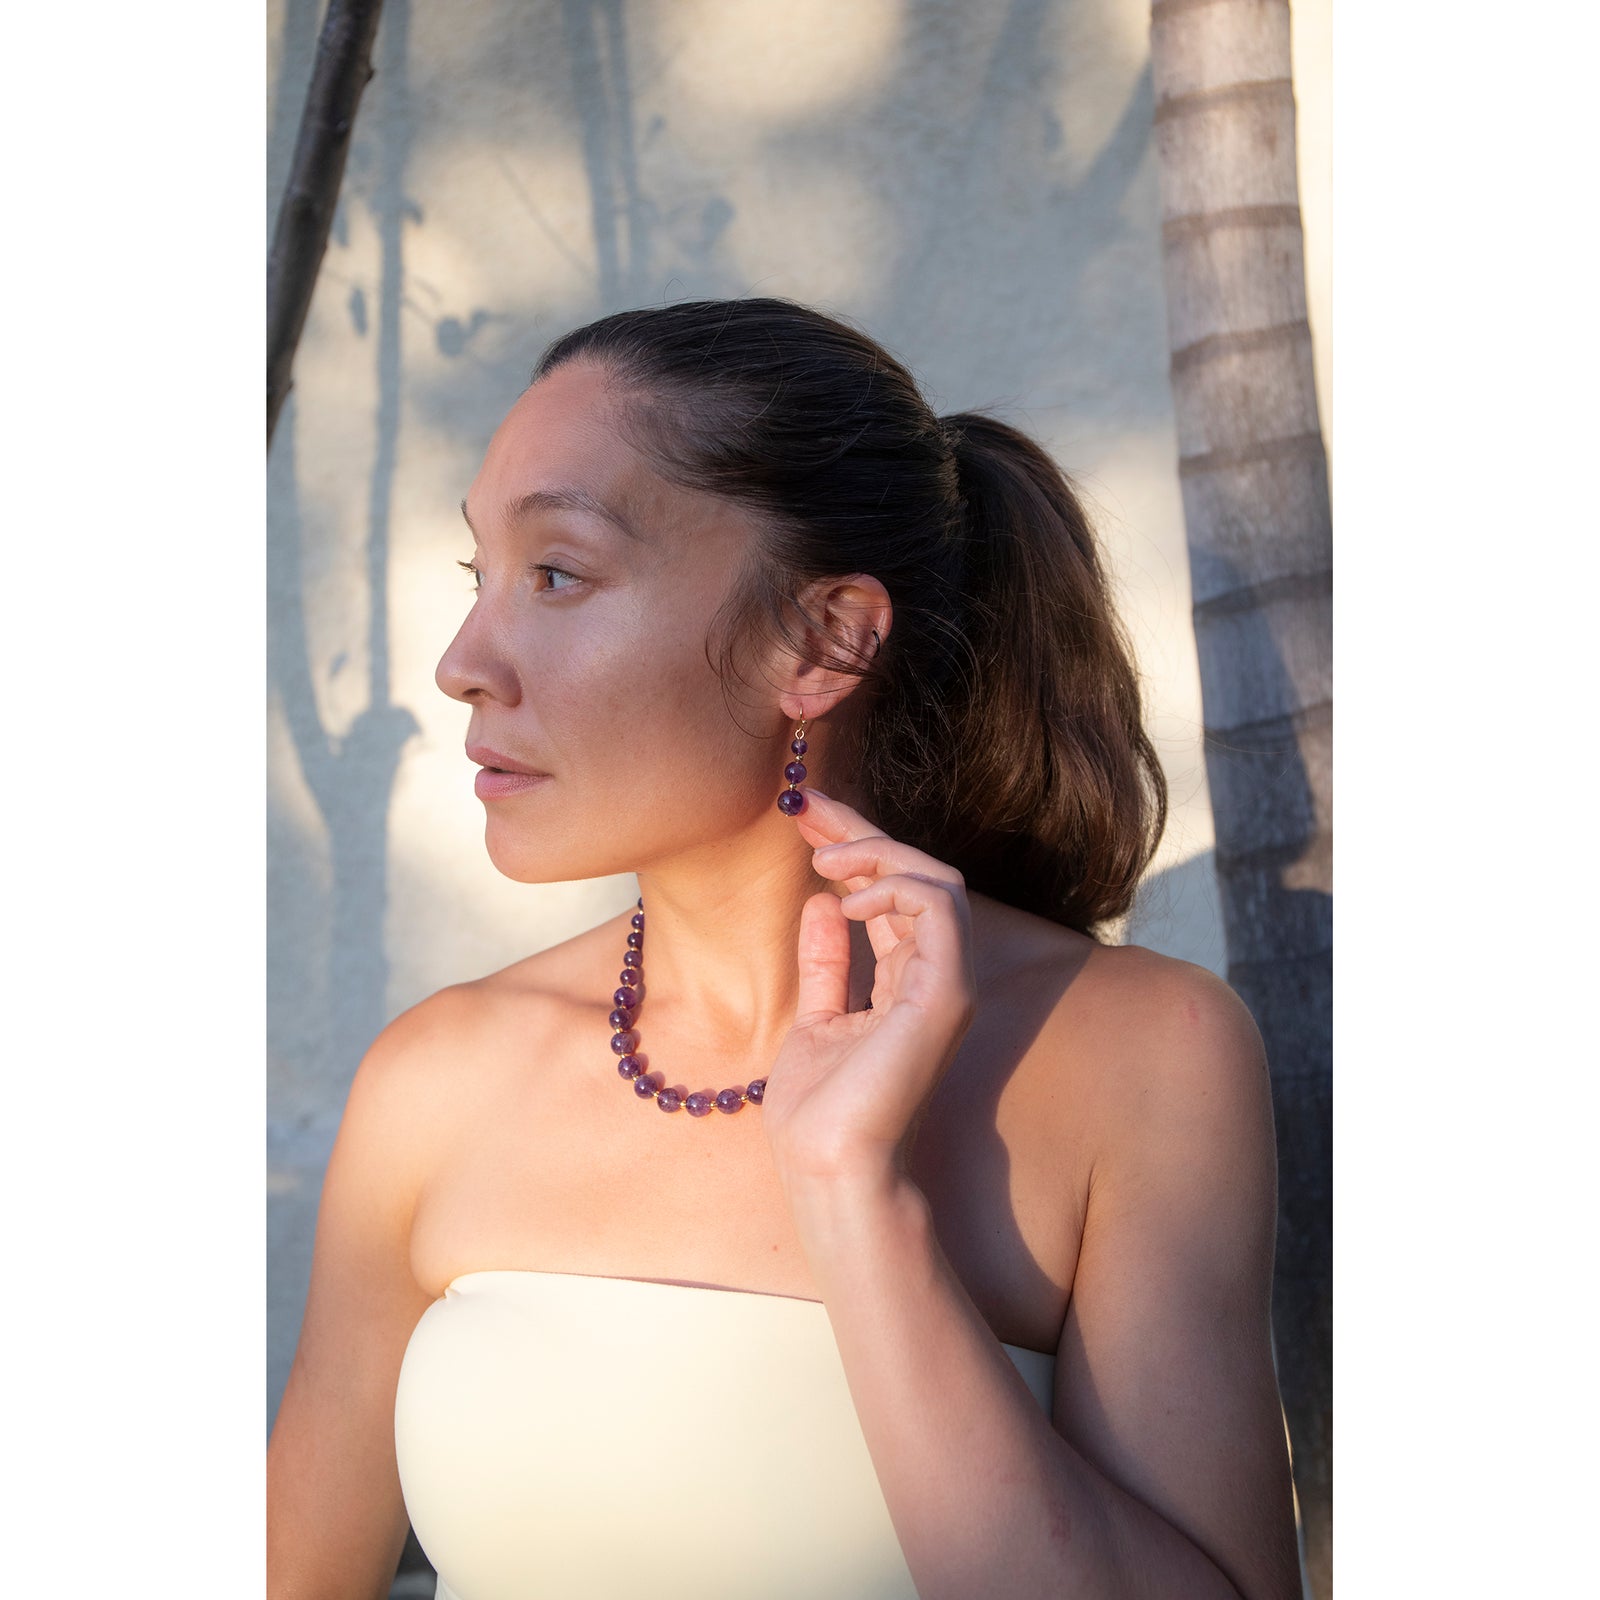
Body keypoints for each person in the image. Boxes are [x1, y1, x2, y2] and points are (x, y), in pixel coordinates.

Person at [266, 297, 1302, 1600]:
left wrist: (858, 1200)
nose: (466, 662)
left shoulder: (1141, 1055)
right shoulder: (435, 1079)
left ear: (821, 640)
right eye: (484, 579)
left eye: (560, 574)